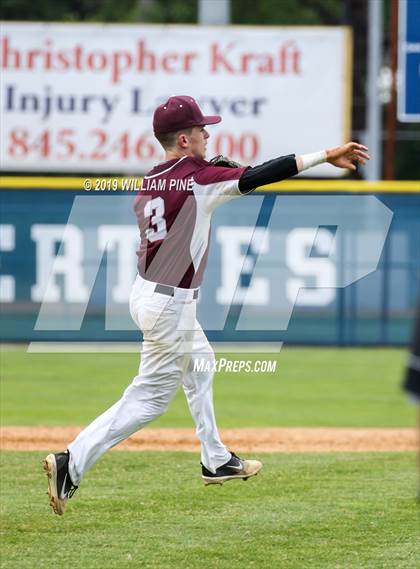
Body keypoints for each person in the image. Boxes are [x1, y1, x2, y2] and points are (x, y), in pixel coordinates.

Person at [44, 95, 370, 515]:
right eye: (201, 130)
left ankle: (215, 459)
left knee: (201, 364)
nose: (207, 134)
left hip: (148, 294)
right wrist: (324, 155)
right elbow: (261, 175)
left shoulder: (151, 182)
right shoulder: (198, 178)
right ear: (183, 139)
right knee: (148, 400)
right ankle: (72, 461)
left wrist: (222, 172)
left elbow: (202, 193)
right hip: (169, 305)